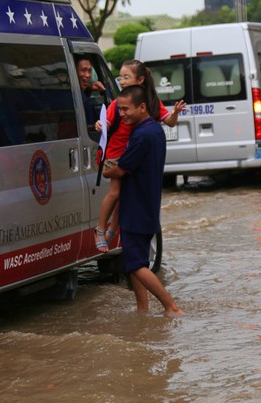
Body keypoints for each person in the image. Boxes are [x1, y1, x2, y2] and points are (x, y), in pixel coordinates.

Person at [102, 85, 184, 317]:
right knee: (133, 260)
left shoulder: (142, 136)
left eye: (126, 109)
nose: (122, 114)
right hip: (146, 204)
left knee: (136, 264)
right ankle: (142, 309)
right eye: (119, 110)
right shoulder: (154, 130)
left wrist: (106, 169)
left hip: (136, 207)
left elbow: (120, 169)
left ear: (142, 107)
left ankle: (171, 306)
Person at [94, 61, 186, 252]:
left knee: (124, 197)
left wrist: (175, 113)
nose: (122, 81)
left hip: (132, 157)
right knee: (116, 193)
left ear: (141, 79)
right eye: (120, 77)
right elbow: (106, 123)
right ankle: (101, 229)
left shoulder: (151, 101)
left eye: (126, 77)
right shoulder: (117, 102)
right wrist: (100, 125)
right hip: (115, 156)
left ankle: (112, 230)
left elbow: (169, 122)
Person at [75, 56, 106, 128]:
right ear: (74, 71)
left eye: (89, 71)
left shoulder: (84, 92)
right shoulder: (75, 96)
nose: (88, 75)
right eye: (83, 70)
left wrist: (90, 89)